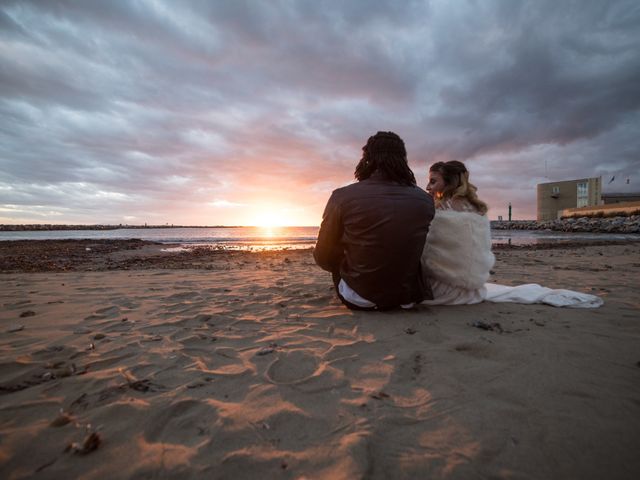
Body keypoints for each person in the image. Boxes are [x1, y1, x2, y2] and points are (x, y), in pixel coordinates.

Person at [421, 160, 603, 308]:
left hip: (448, 290)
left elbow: (428, 250)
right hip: (473, 288)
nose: (428, 186)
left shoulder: (443, 209)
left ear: (449, 183)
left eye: (433, 181)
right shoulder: (476, 208)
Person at [314, 131, 435, 310]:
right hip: (407, 298)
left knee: (340, 244)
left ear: (367, 158)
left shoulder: (342, 196)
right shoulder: (425, 199)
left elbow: (322, 255)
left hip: (359, 298)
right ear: (403, 159)